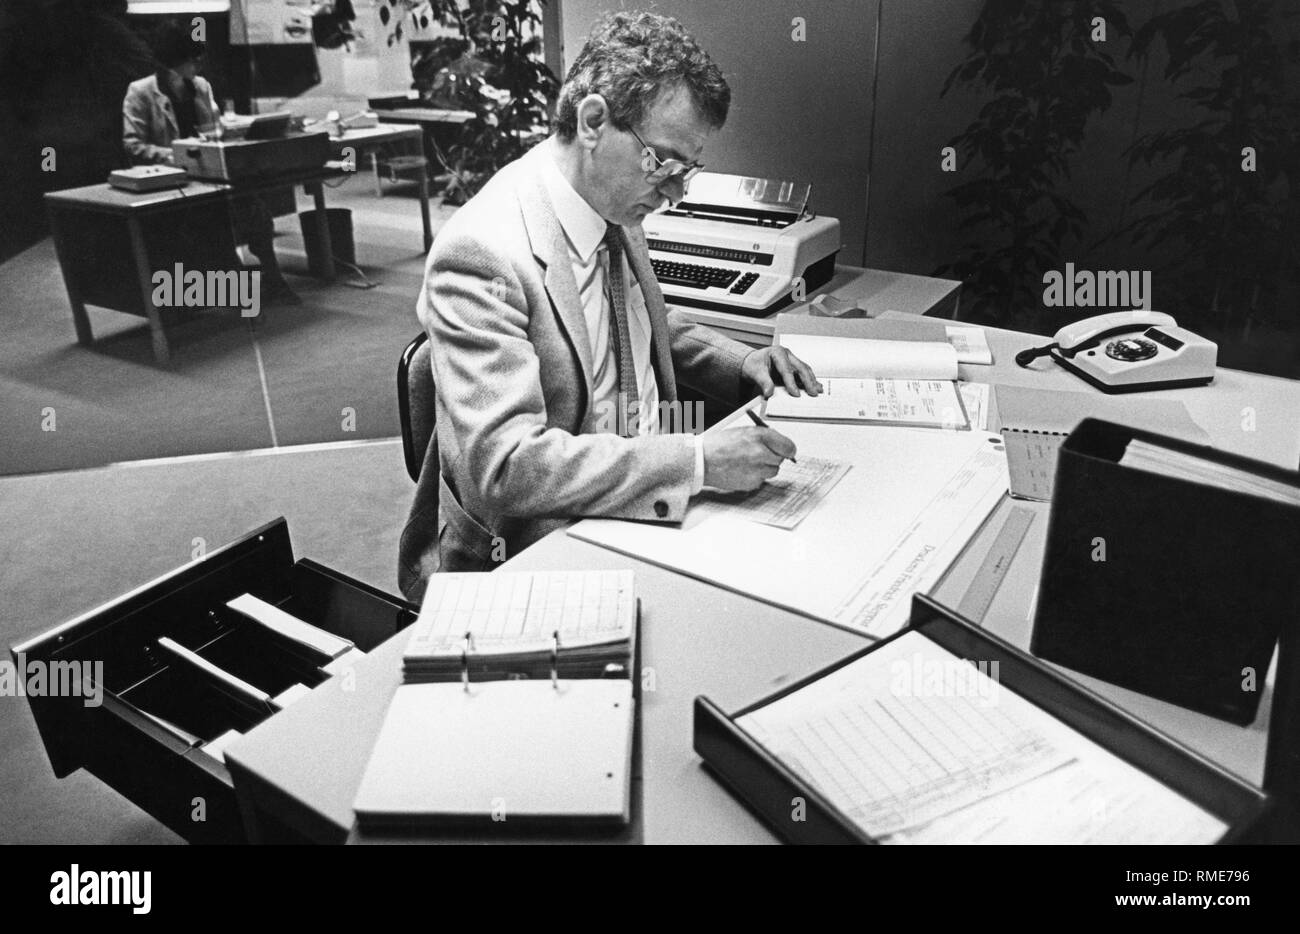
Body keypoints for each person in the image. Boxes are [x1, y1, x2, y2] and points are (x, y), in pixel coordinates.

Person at [398, 11, 821, 600]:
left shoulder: (611, 201)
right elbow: (503, 468)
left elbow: (640, 322)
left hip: (647, 501)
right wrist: (696, 461)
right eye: (664, 163)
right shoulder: (481, 254)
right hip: (541, 544)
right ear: (593, 121)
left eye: (688, 170)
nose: (675, 192)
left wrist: (741, 362)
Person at [122, 23, 299, 302]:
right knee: (213, 226)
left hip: (211, 173)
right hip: (174, 180)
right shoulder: (141, 92)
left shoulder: (201, 87)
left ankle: (273, 279)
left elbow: (215, 126)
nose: (198, 65)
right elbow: (133, 145)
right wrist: (175, 154)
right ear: (173, 62)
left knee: (257, 213)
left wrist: (239, 131)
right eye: (193, 59)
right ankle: (237, 290)